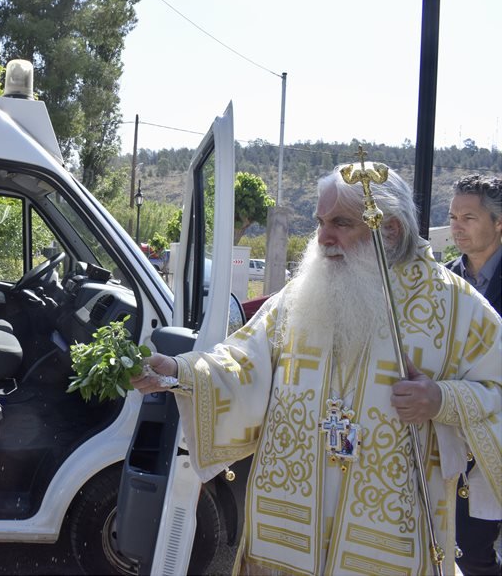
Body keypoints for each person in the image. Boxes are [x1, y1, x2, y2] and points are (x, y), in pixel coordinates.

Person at [131, 164, 502, 575]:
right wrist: (179, 372)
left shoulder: (456, 308)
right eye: (321, 222)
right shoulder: (304, 291)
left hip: (389, 537)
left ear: (391, 230)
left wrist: (441, 399)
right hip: (289, 526)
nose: (324, 237)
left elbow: (497, 391)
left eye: (342, 223)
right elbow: (243, 361)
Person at [446, 173, 502, 575]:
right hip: (457, 441)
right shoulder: (441, 282)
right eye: (452, 217)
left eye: (469, 217)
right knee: (468, 551)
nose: (457, 227)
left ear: (499, 222)